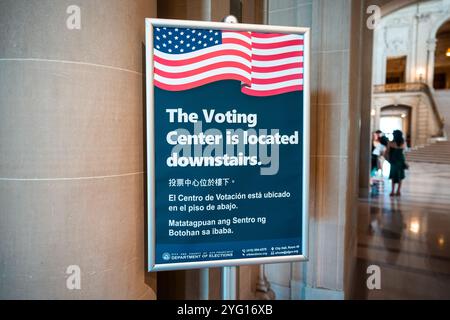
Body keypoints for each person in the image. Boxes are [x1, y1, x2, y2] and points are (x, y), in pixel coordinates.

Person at [387, 130, 407, 197]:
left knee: (393, 176)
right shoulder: (403, 143)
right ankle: (398, 191)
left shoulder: (390, 143)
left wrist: (388, 159)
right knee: (400, 176)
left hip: (393, 161)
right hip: (401, 160)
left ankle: (392, 191)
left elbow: (387, 152)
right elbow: (404, 152)